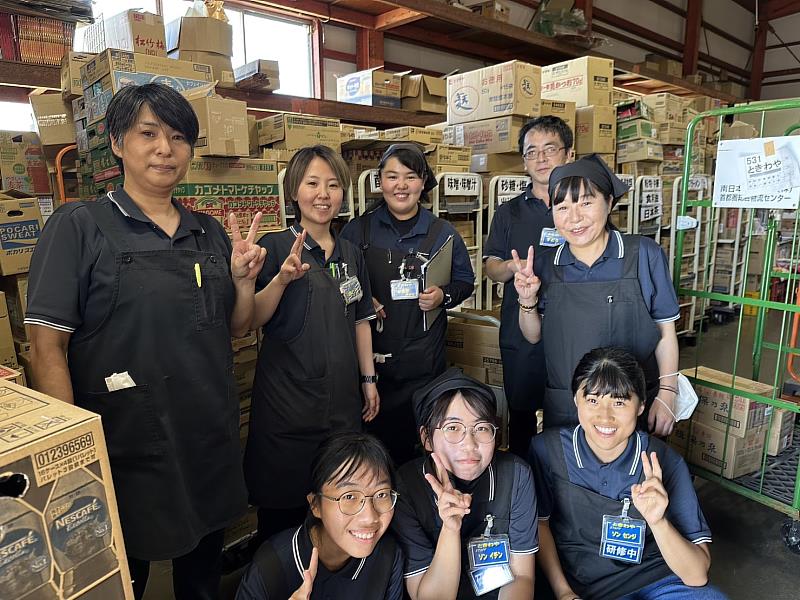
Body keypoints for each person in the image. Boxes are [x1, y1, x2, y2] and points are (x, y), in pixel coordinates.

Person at [25, 83, 263, 599]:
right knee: (118, 570)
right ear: (117, 143)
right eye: (148, 134)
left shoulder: (209, 233)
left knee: (201, 569)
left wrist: (243, 281)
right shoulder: (80, 227)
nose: (165, 149)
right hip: (125, 441)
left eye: (179, 138)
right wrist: (70, 454)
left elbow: (237, 326)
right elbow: (46, 346)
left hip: (205, 433)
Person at [244, 145, 378, 545]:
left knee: (337, 500)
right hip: (286, 405)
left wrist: (368, 379)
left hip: (340, 403)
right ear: (294, 191)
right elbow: (251, 318)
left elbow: (361, 318)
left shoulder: (351, 253)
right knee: (283, 514)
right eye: (313, 183)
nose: (324, 194)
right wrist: (281, 279)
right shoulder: (273, 246)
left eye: (334, 185)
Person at [528, 347, 724, 600]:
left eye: (619, 402)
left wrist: (658, 521)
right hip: (585, 588)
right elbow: (540, 525)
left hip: (658, 580)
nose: (605, 416)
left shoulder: (662, 460)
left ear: (641, 406)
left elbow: (697, 575)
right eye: (592, 400)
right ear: (576, 400)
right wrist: (563, 591)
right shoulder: (548, 450)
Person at [514, 154, 680, 435]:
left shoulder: (642, 255)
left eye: (586, 203)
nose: (574, 218)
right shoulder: (545, 265)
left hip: (628, 405)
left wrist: (668, 392)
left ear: (609, 203)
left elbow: (665, 331)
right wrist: (527, 300)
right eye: (562, 207)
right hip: (568, 405)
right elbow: (533, 335)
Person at [341, 143, 475, 465]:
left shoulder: (443, 233)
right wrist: (360, 295)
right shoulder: (356, 230)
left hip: (423, 366)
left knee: (421, 453)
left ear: (423, 182)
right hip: (371, 367)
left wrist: (443, 295)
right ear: (380, 182)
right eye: (392, 176)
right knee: (375, 453)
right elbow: (338, 280)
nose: (401, 185)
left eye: (410, 177)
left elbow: (465, 283)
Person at [392, 368, 537, 599]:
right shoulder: (406, 488)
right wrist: (450, 528)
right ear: (426, 438)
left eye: (481, 428)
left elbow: (522, 577)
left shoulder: (516, 476)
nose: (469, 444)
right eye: (453, 428)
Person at [483, 116, 574, 457]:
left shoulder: (582, 209)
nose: (541, 158)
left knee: (568, 411)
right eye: (532, 152)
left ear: (568, 154)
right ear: (523, 161)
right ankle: (521, 491)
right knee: (520, 413)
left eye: (550, 149)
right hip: (520, 331)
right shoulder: (509, 213)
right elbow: (491, 266)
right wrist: (510, 267)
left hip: (571, 327)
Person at [236, 432, 404, 599]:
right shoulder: (272, 566)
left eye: (381, 494)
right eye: (349, 497)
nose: (369, 517)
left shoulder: (388, 555)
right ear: (315, 504)